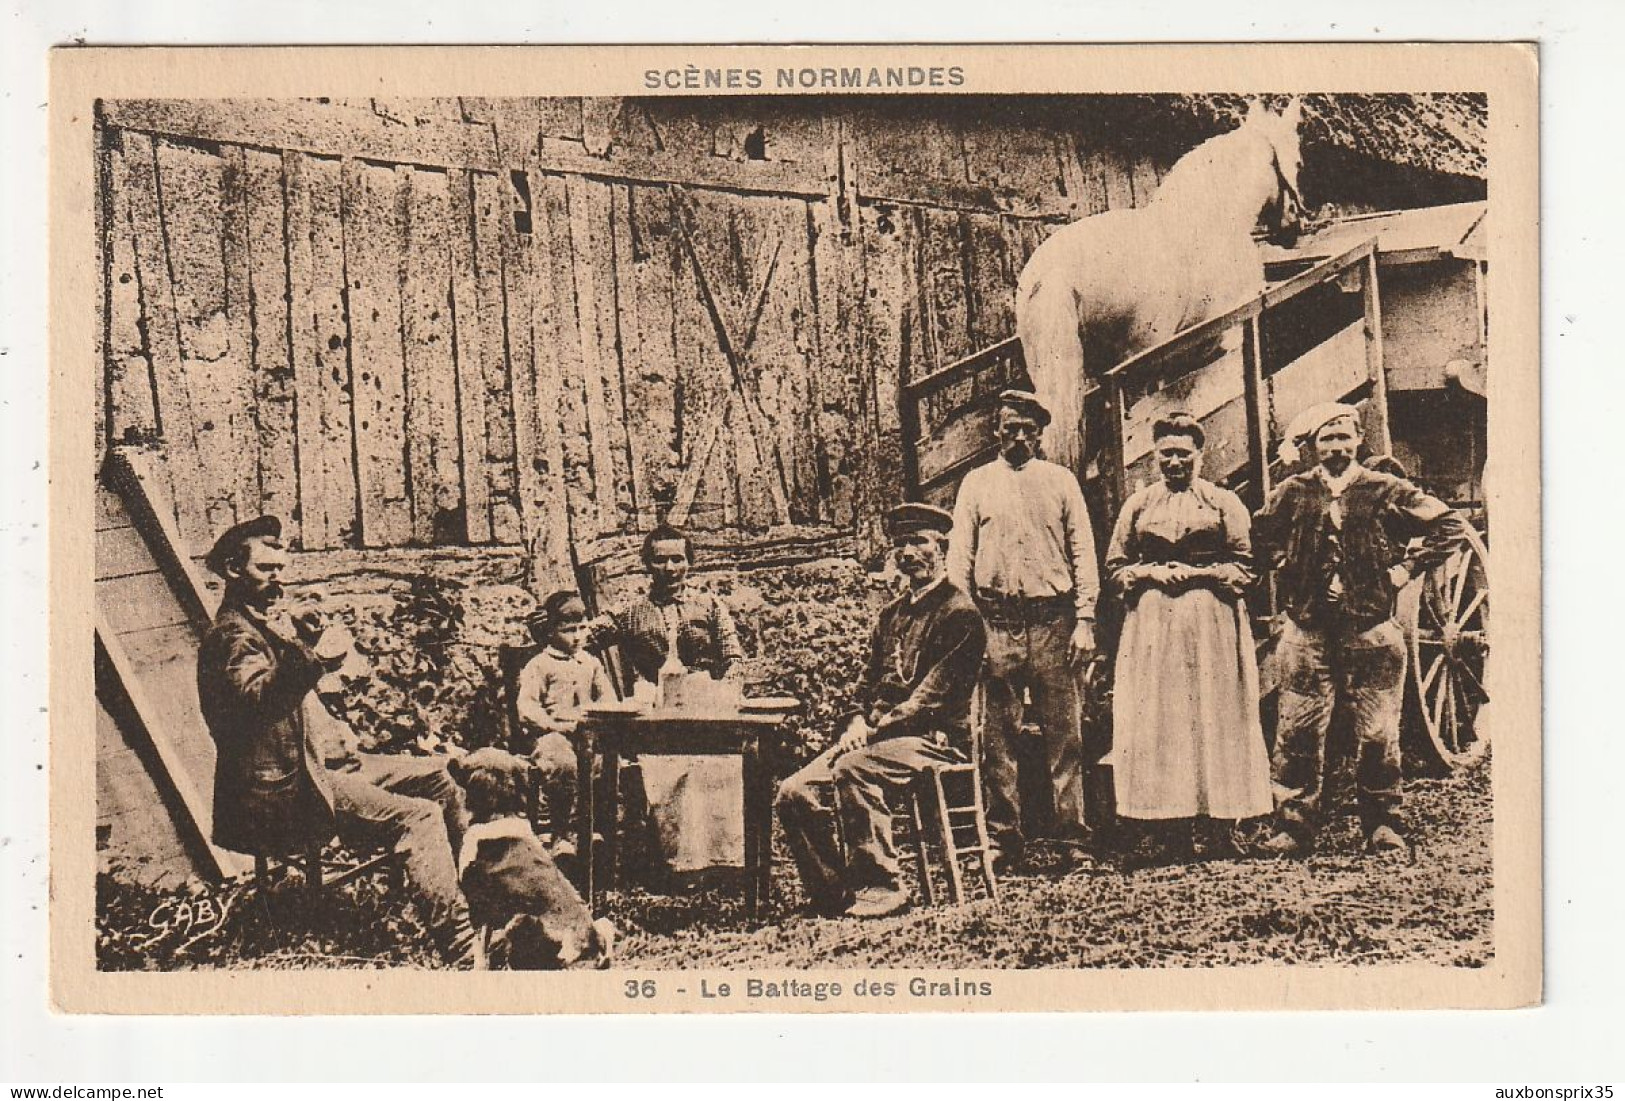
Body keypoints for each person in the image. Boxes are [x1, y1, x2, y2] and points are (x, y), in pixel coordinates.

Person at [196, 515, 475, 966]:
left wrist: (304, 633)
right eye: (266, 570)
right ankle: (462, 949)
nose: (277, 580)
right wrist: (310, 651)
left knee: (439, 776)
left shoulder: (256, 621)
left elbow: (288, 678)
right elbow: (258, 701)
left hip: (318, 767)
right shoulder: (231, 636)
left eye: (281, 570)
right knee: (420, 816)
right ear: (233, 570)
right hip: (284, 789)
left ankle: (464, 896)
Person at [1252, 403, 1471, 856]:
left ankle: (1382, 824)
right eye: (1326, 439)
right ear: (1312, 446)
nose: (1336, 447)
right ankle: (1293, 828)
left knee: (1376, 731)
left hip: (1371, 628)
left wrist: (1403, 571)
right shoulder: (1292, 491)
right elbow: (1260, 535)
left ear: (1358, 441)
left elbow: (1449, 525)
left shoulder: (1385, 488)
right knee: (1297, 731)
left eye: (1344, 437)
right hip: (1308, 630)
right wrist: (1286, 568)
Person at [775, 503, 987, 918]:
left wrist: (870, 732)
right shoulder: (890, 614)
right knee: (792, 792)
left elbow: (929, 699)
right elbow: (865, 682)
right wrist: (855, 718)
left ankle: (884, 887)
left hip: (934, 740)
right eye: (900, 545)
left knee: (852, 767)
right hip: (877, 739)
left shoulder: (960, 613)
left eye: (919, 542)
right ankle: (834, 893)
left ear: (941, 547)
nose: (908, 553)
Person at [1105, 413, 1273, 865]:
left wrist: (1202, 573)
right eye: (1167, 454)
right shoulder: (1138, 506)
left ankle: (1223, 827)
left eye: (1184, 453)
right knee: (1162, 718)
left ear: (1201, 454)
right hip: (1153, 623)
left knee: (1217, 713)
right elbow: (1115, 566)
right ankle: (1170, 831)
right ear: (1155, 456)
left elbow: (1247, 565)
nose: (1175, 462)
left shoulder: (1222, 503)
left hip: (1211, 619)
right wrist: (1150, 572)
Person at [947, 389, 1101, 870]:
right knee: (997, 737)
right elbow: (959, 563)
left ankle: (1073, 840)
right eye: (1009, 427)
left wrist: (1086, 620)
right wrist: (969, 630)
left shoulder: (1060, 482)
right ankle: (1002, 839)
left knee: (1066, 735)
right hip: (998, 624)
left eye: (1027, 430)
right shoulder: (976, 483)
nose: (1018, 437)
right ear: (997, 429)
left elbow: (1083, 554)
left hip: (1053, 622)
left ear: (1040, 434)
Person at [596, 524, 747, 883]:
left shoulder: (709, 605)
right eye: (660, 560)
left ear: (689, 563)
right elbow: (586, 635)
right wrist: (555, 629)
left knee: (717, 765)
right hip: (656, 702)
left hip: (706, 699)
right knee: (671, 768)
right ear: (647, 564)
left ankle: (724, 860)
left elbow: (734, 658)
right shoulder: (631, 611)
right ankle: (679, 862)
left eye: (677, 559)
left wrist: (726, 691)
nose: (670, 568)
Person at [512, 590, 613, 851]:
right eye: (569, 630)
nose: (577, 636)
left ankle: (592, 830)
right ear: (550, 631)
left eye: (582, 628)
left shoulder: (590, 663)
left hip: (587, 734)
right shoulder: (540, 665)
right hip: (552, 734)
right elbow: (527, 708)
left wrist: (598, 716)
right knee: (563, 764)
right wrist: (555, 725)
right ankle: (561, 833)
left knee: (607, 763)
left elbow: (608, 700)